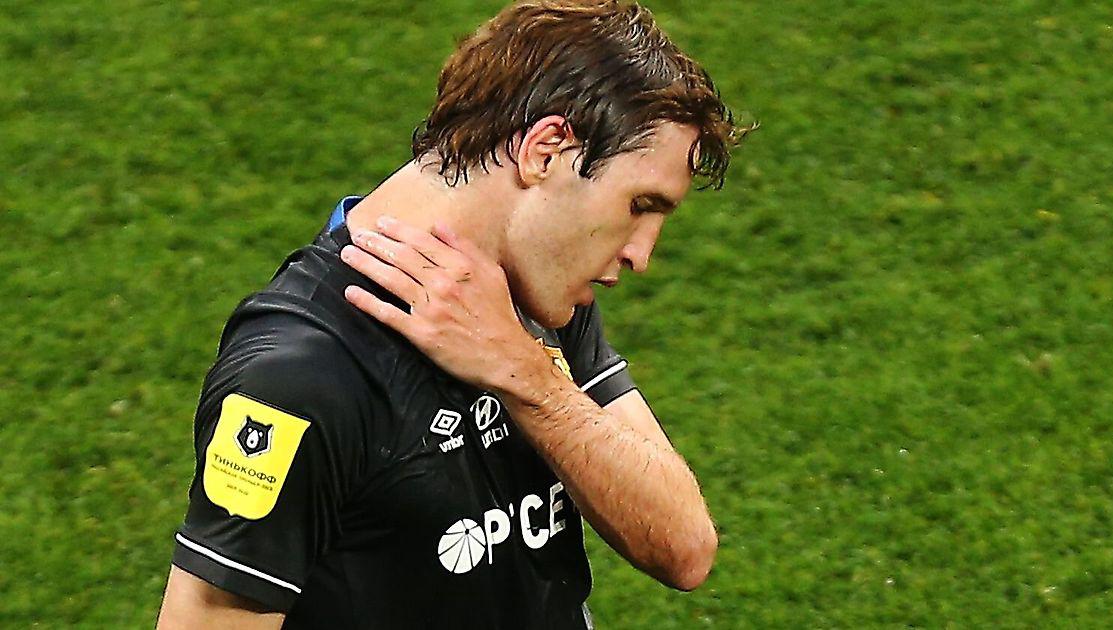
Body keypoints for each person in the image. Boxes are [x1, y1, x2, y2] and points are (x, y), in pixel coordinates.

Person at [156, 1, 746, 627]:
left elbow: (684, 548)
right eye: (639, 205)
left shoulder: (534, 295)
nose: (641, 254)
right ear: (547, 150)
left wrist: (529, 379)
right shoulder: (300, 377)